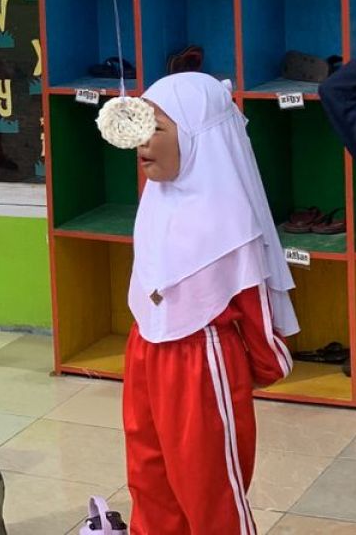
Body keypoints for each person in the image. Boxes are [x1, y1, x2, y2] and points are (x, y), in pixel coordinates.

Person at [121, 73, 298, 534]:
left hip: (202, 360)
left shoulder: (228, 218)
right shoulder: (156, 200)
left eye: (157, 128)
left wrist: (269, 361)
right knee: (148, 475)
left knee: (208, 486)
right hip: (144, 349)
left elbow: (252, 300)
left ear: (199, 137)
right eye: (141, 126)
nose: (142, 141)